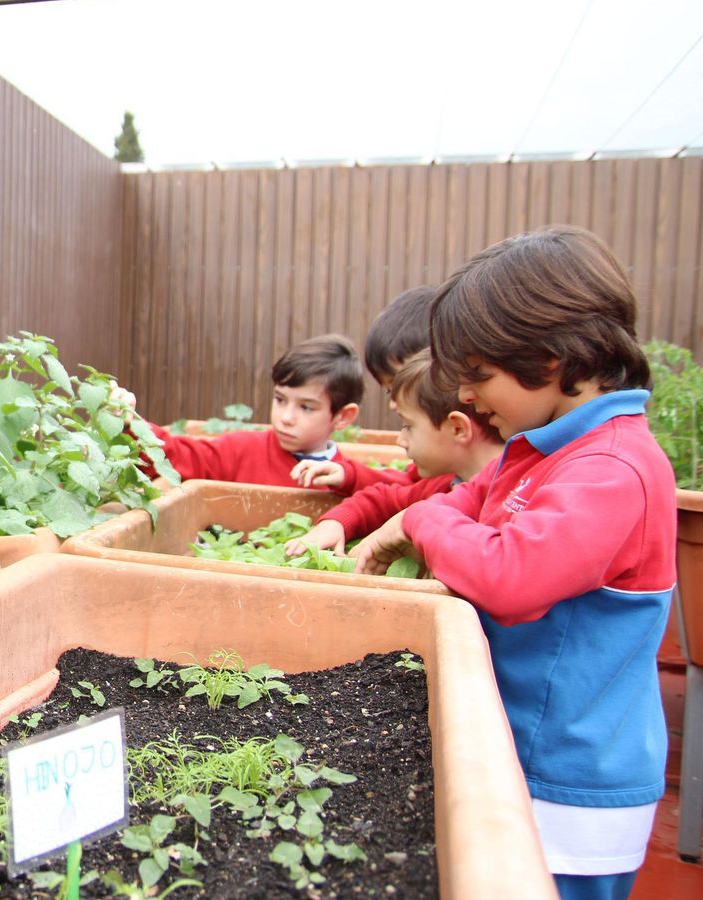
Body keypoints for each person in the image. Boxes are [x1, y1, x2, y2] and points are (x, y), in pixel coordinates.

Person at [352, 226, 674, 900]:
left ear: (554, 359)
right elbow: (473, 494)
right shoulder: (549, 447)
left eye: (477, 376)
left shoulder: (613, 467)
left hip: (568, 787)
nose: (465, 398)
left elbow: (511, 578)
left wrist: (417, 517)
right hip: (519, 755)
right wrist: (425, 515)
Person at [283, 349, 503, 555]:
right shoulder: (445, 484)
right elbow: (383, 499)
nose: (401, 440)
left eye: (408, 426)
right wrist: (336, 523)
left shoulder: (513, 502)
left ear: (457, 428)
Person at [141, 334, 412, 495]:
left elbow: (403, 491)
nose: (286, 417)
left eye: (306, 407)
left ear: (343, 417)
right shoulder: (242, 450)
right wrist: (130, 422)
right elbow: (180, 456)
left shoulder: (345, 479)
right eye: (280, 400)